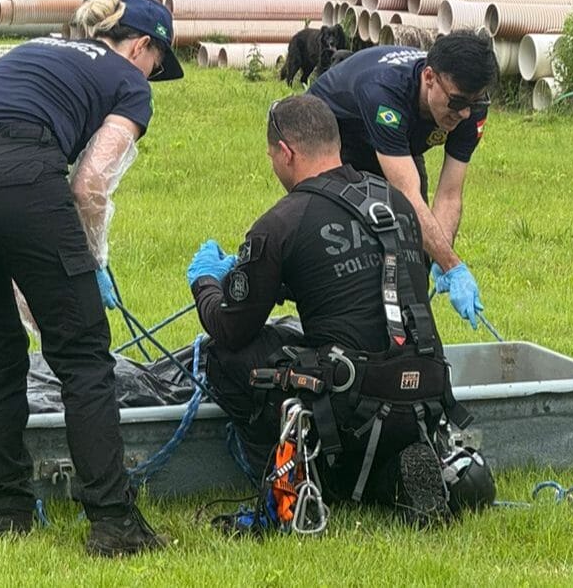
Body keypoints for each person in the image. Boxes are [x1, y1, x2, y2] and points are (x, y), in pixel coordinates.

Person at [0, 0, 182, 556]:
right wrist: (93, 263)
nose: (150, 76)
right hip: (23, 173)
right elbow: (89, 184)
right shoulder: (128, 80)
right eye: (155, 65)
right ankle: (113, 522)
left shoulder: (35, 49)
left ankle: (10, 513)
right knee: (84, 357)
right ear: (142, 47)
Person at [187, 95, 490, 530]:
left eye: (273, 155)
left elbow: (231, 327)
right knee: (302, 337)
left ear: (286, 152)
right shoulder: (395, 201)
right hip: (424, 394)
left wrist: (206, 283)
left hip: (349, 402)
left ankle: (295, 480)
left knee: (226, 356)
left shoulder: (282, 222)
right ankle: (396, 477)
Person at [307, 30, 498, 330]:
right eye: (457, 101)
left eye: (473, 103)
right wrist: (454, 265)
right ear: (430, 77)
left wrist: (440, 258)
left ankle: (409, 331)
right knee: (351, 244)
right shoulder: (383, 89)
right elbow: (406, 194)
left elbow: (449, 195)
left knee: (416, 248)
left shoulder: (469, 109)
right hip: (335, 137)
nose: (463, 113)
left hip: (398, 141)